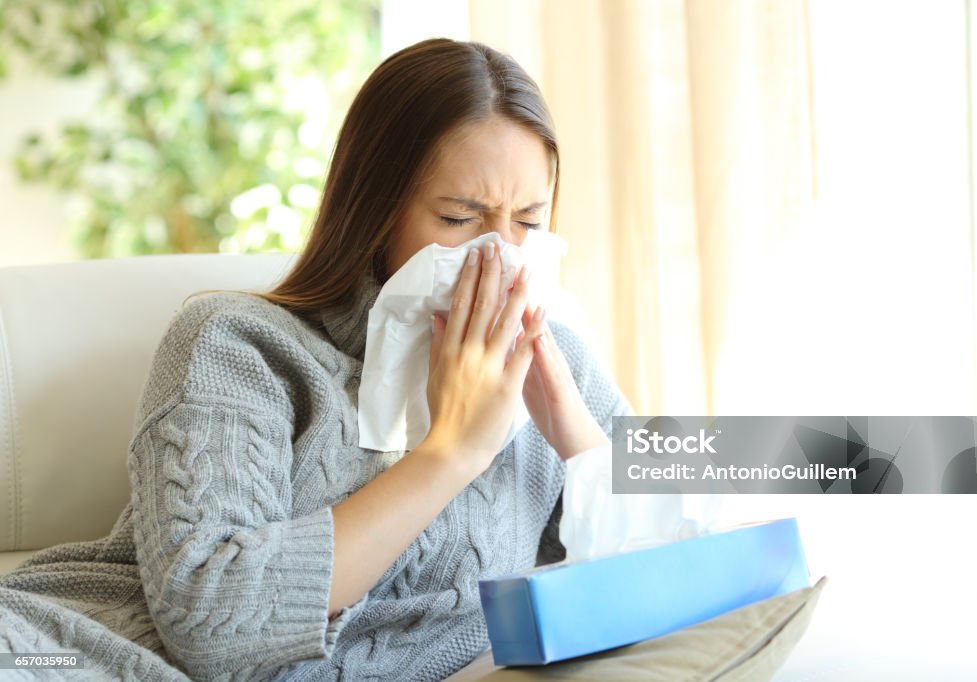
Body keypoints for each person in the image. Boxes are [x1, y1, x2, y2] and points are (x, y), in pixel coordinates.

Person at [0, 38, 632, 681]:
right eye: (459, 218)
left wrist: (581, 441)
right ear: (376, 214)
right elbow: (213, 624)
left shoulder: (554, 357)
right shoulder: (235, 345)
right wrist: (451, 452)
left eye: (528, 221)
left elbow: (711, 511)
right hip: (74, 653)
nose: (498, 256)